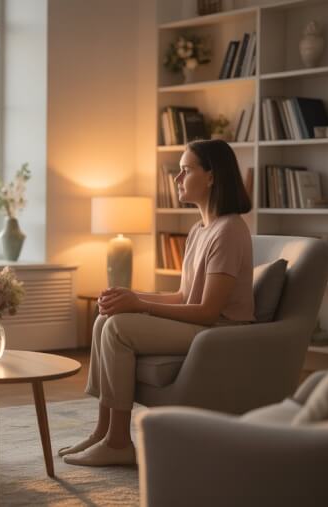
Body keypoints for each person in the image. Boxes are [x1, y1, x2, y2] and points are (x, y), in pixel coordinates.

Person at [61, 139, 254, 466]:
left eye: (185, 170)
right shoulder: (199, 230)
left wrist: (139, 304)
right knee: (105, 318)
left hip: (220, 331)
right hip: (199, 323)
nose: (177, 179)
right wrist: (128, 297)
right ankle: (103, 431)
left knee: (118, 328)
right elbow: (183, 297)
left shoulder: (229, 231)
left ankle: (120, 443)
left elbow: (208, 312)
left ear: (211, 176)